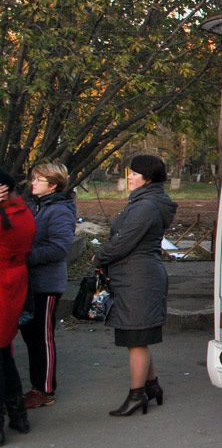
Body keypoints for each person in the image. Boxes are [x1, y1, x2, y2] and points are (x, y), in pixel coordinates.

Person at [93, 155, 177, 417]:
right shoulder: (146, 201)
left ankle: (137, 395)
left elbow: (123, 241)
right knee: (137, 336)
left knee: (136, 338)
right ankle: (151, 387)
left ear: (147, 178)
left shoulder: (146, 206)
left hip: (138, 278)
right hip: (135, 276)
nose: (129, 177)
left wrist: (99, 257)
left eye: (134, 173)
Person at [21, 162, 77, 409]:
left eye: (38, 180)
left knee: (42, 337)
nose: (33, 183)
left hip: (46, 283)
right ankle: (37, 386)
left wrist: (24, 255)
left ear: (53, 185)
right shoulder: (34, 205)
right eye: (33, 179)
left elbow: (59, 248)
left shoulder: (59, 211)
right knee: (30, 335)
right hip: (29, 281)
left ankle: (44, 389)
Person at [0, 167, 36, 444]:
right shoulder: (23, 211)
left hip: (4, 282)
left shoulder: (8, 217)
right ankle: (18, 415)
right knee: (4, 354)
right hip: (14, 284)